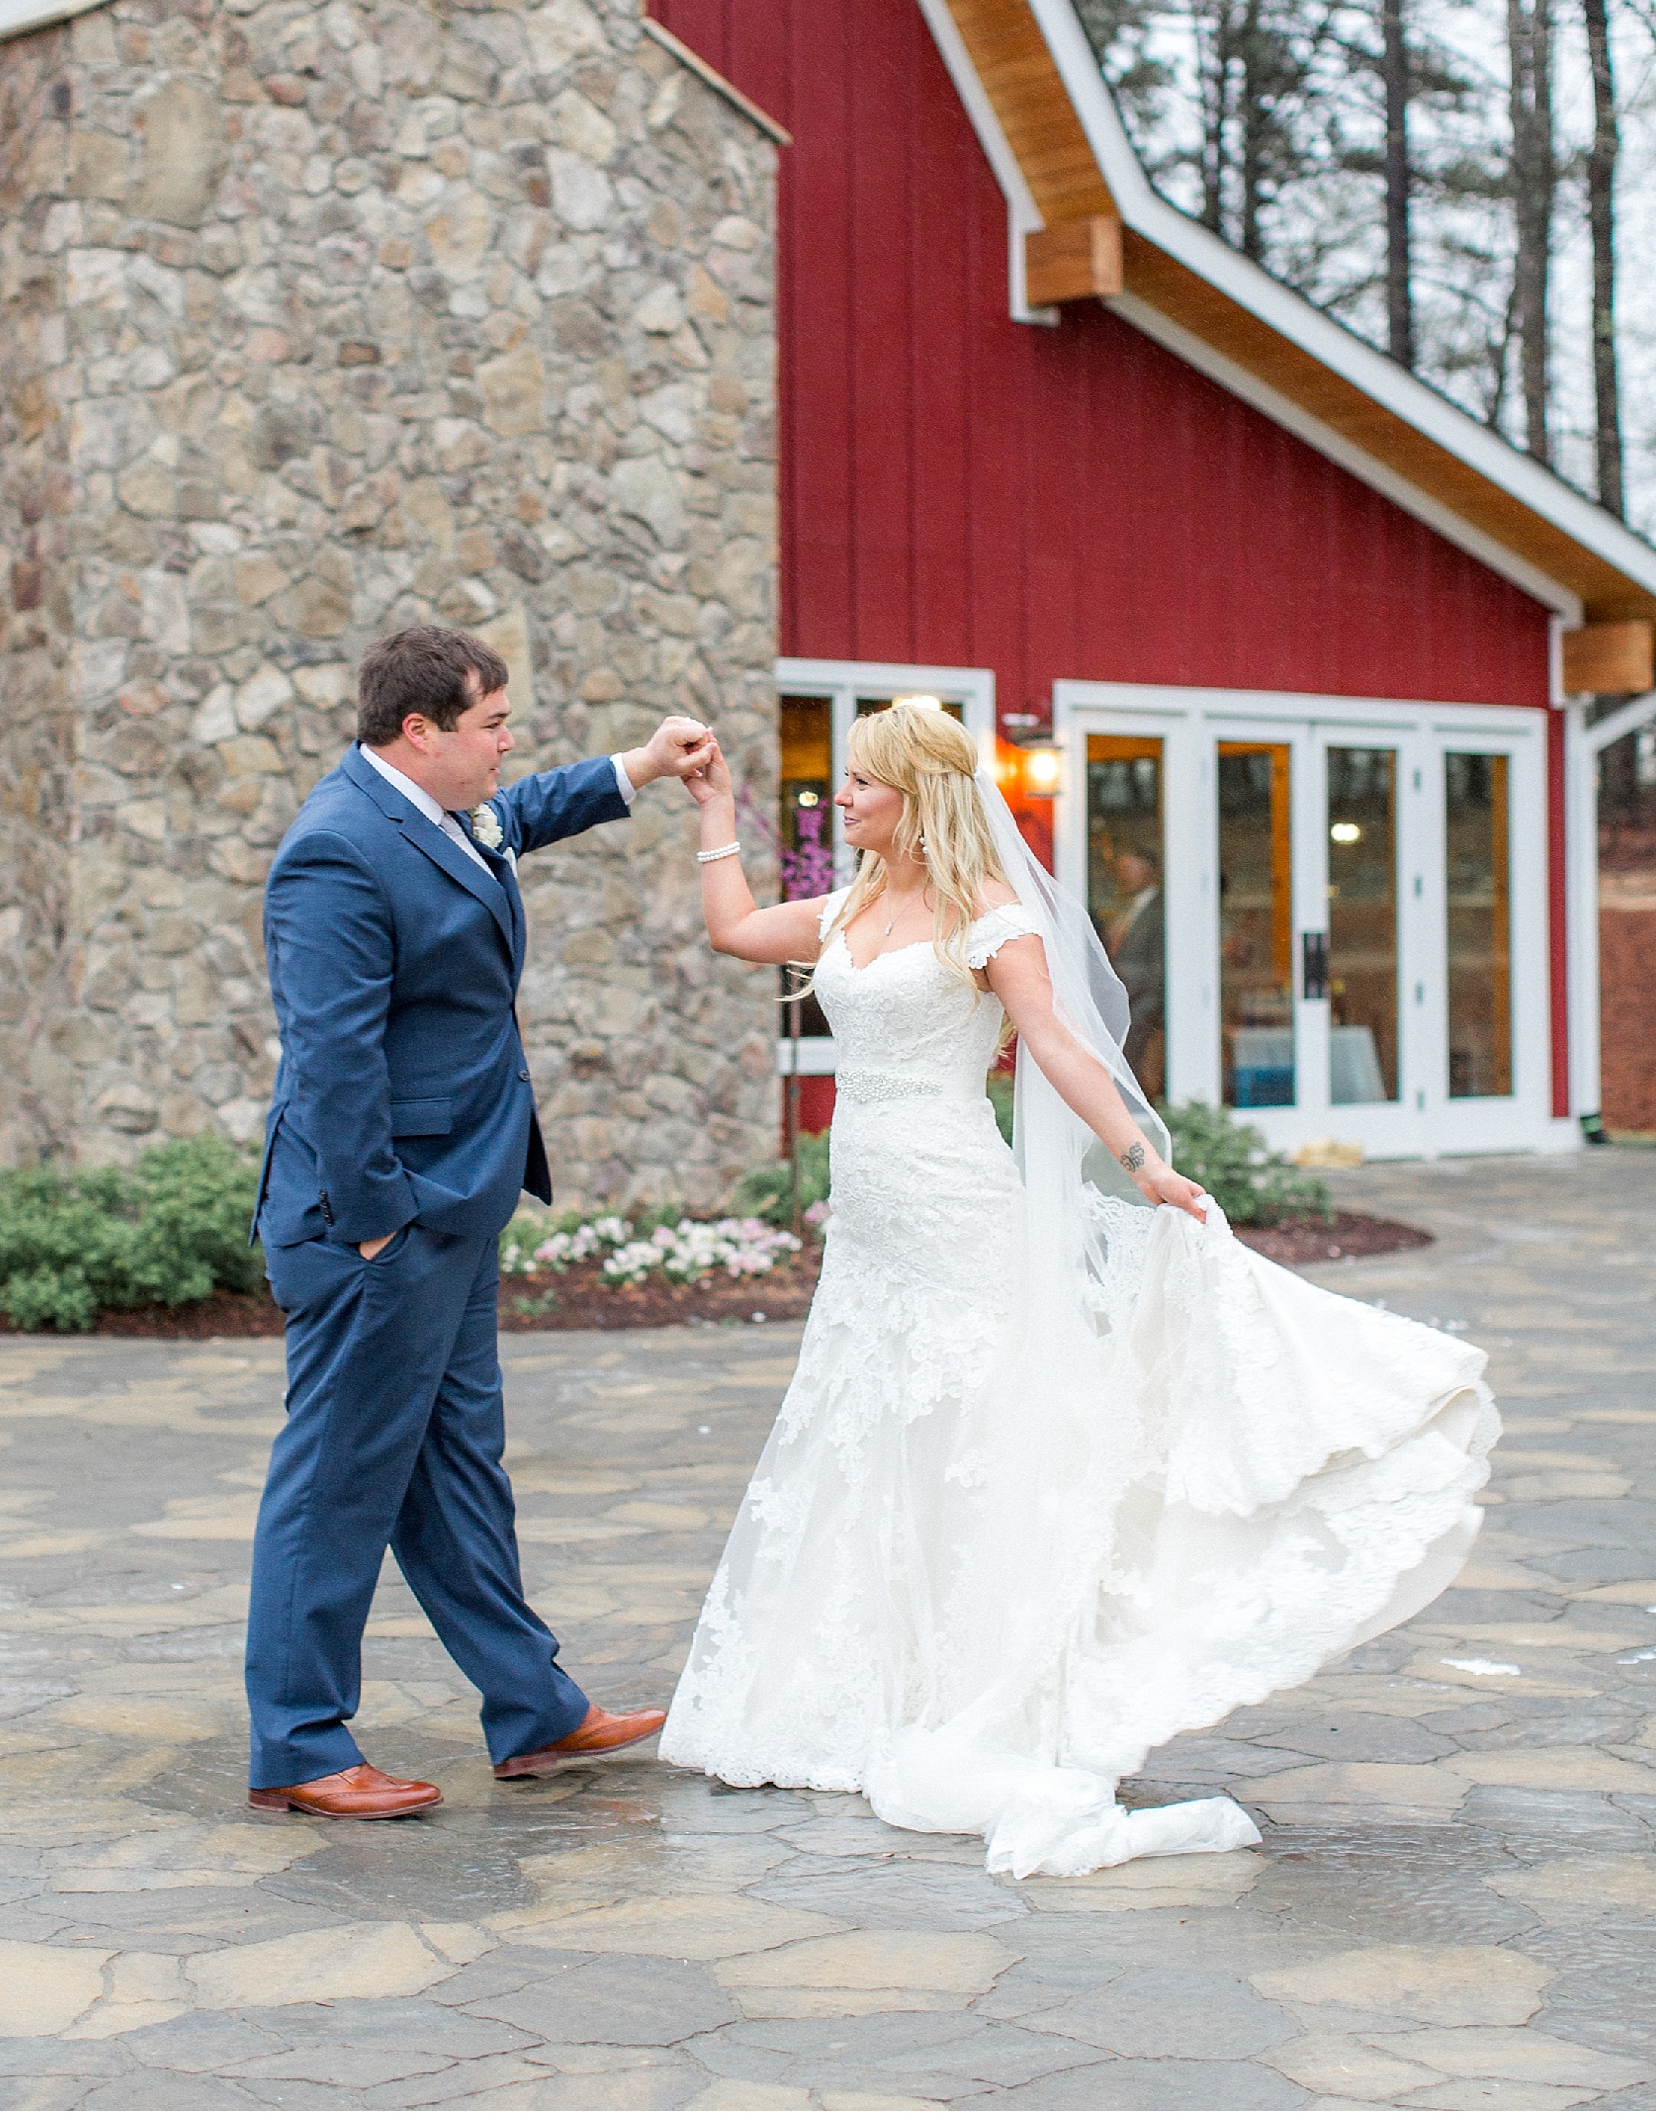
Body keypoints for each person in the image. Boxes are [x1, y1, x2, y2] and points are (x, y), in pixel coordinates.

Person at [660, 703, 1497, 1879]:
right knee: (874, 1425)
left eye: (859, 784)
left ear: (918, 793)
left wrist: (1144, 1158)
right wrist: (708, 811)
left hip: (956, 1198)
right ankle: (868, 1682)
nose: (838, 799)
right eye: (840, 783)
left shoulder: (984, 911)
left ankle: (1012, 1662)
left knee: (985, 1419)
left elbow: (1054, 1040)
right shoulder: (846, 904)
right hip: (875, 1223)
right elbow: (737, 927)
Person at [243, 623, 708, 1819]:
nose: (510, 744)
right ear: (421, 731)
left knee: (458, 1469)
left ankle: (533, 1706)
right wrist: (377, 1224)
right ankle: (299, 1742)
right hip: (380, 1217)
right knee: (338, 1481)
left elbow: (524, 812)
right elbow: (334, 1054)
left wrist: (641, 766)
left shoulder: (447, 807)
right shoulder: (336, 850)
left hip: (459, 1204)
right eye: (492, 725)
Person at [1106, 846, 1165, 1098]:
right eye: (1120, 870)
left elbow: (1158, 966)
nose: (1123, 876)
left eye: (1129, 869)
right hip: (1124, 1002)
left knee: (1133, 1070)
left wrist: (1133, 1005)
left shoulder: (1159, 911)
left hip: (1143, 1006)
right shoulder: (1128, 908)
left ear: (1148, 871)